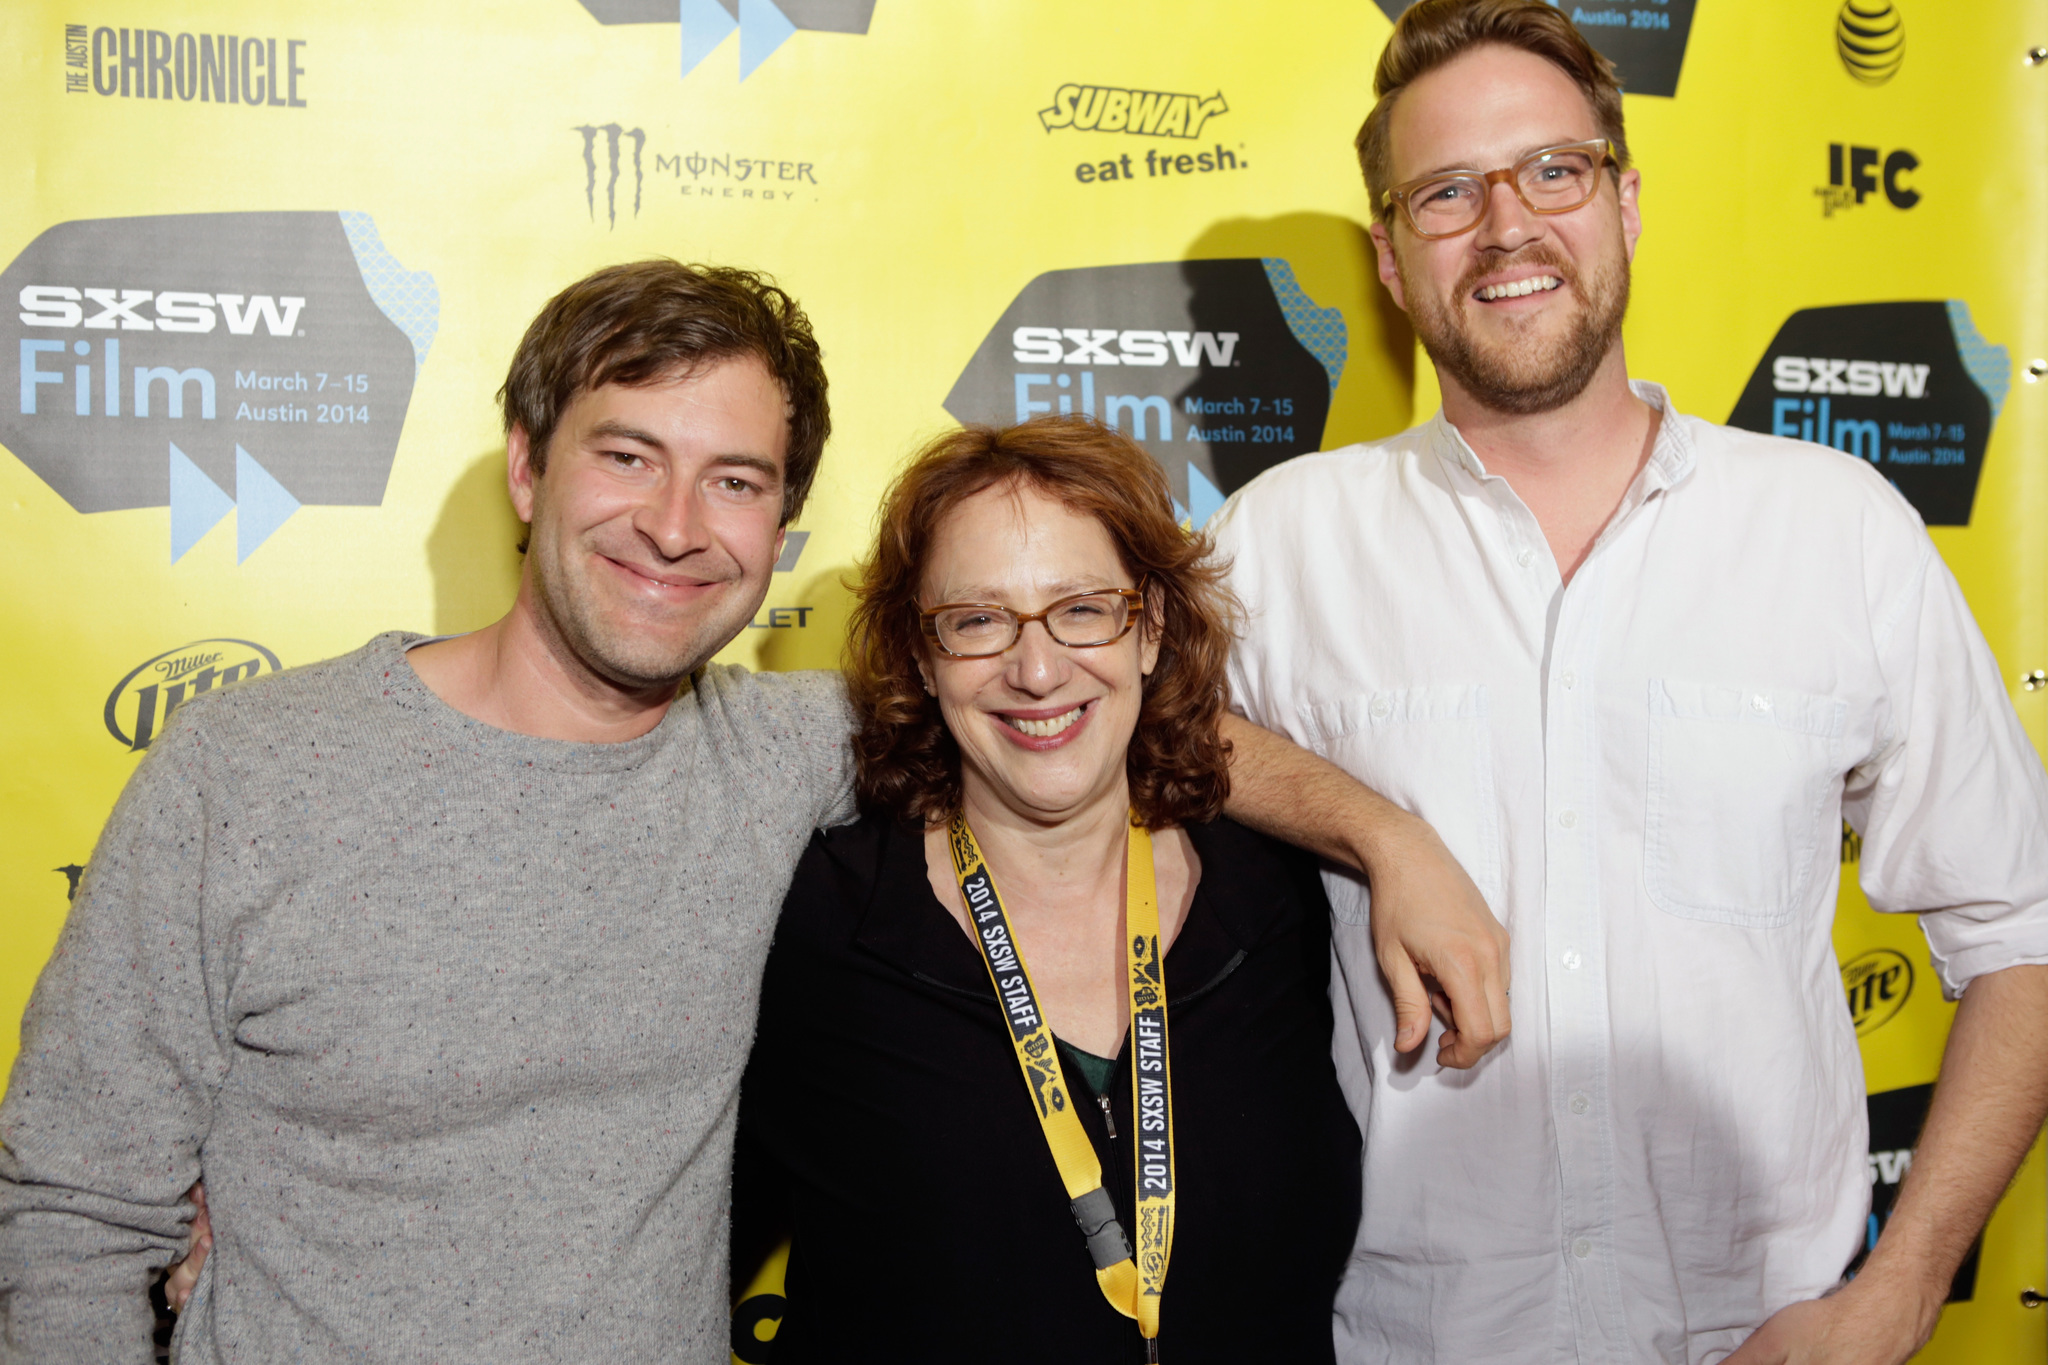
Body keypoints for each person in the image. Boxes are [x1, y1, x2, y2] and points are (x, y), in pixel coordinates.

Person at [0, 260, 1504, 1363]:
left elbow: (1080, 709)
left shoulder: (794, 754)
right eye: (627, 457)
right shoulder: (248, 772)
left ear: (780, 531)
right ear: (525, 466)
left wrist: (1390, 837)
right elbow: (72, 1215)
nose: (673, 525)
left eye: (733, 481)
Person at [1209, 2, 2048, 1362]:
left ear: (1626, 201)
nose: (1508, 225)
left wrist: (1902, 1287)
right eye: (1447, 192)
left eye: (1554, 170)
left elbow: (2022, 931)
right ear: (1388, 255)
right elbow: (1136, 731)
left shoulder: (1835, 529)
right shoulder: (1280, 542)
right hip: (1412, 1339)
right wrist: (1377, 826)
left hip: (1763, 1333)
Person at [733, 418, 1362, 1362]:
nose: (1035, 670)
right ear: (920, 653)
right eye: (979, 620)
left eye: (1081, 608)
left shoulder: (1283, 903)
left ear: (1148, 627)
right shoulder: (817, 923)